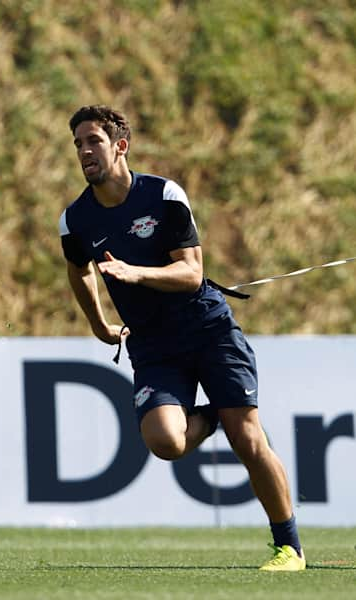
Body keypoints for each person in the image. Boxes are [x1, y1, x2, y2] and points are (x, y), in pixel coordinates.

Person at [59, 104, 305, 571]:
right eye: (78, 145)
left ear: (120, 146)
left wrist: (135, 272)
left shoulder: (163, 195)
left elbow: (192, 274)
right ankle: (215, 415)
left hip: (207, 329)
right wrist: (98, 324)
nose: (85, 152)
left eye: (93, 141)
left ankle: (288, 547)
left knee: (248, 439)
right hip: (152, 345)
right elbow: (79, 273)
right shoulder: (76, 220)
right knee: (166, 442)